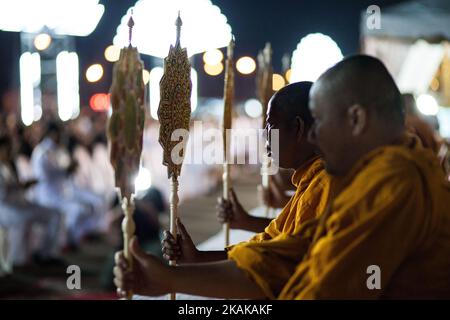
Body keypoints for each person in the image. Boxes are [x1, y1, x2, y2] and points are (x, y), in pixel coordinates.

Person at [114, 55, 450, 299]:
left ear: (357, 119)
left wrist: (175, 278)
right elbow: (289, 253)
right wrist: (176, 275)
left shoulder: (396, 180)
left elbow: (319, 284)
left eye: (319, 122)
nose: (315, 138)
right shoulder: (375, 177)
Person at [114, 82, 331, 299]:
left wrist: (172, 278)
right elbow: (273, 246)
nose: (265, 137)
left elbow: (281, 266)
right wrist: (198, 258)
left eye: (270, 126)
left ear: (298, 128)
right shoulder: (311, 183)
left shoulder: (324, 184)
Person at [31, 122, 97, 248]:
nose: (60, 137)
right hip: (49, 195)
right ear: (52, 134)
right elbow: (46, 176)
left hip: (62, 192)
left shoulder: (57, 149)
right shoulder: (42, 152)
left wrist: (70, 168)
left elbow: (66, 168)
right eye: (58, 134)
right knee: (76, 209)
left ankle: (73, 239)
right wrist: (67, 170)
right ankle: (67, 242)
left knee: (88, 205)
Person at [0, 135, 63, 266]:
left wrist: (23, 185)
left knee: (55, 215)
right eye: (7, 149)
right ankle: (19, 261)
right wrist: (20, 186)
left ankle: (46, 254)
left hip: (19, 204)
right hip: (6, 209)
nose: (10, 152)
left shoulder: (10, 164)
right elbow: (3, 193)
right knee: (24, 219)